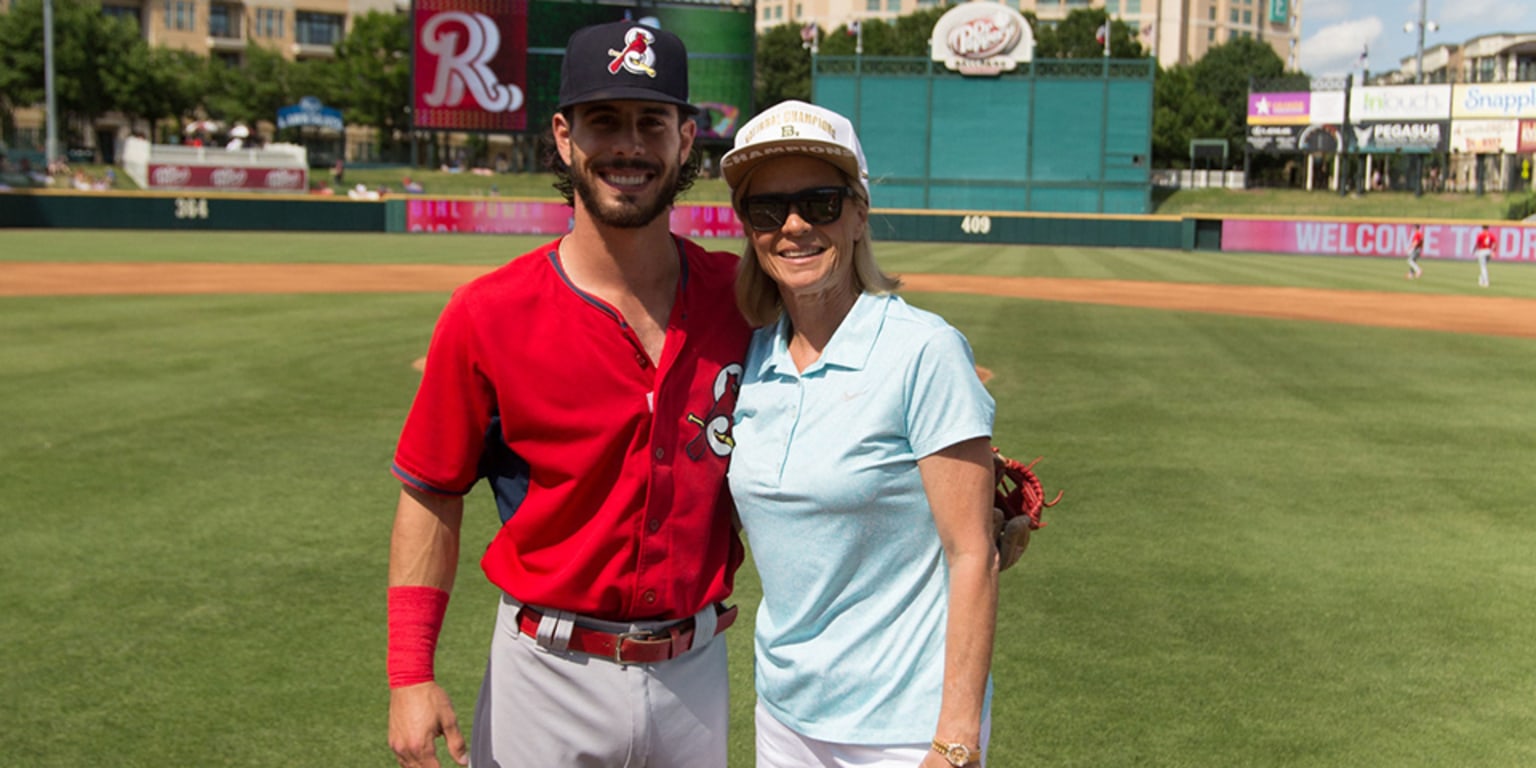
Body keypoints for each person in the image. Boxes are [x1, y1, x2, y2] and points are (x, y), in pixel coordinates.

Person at [385, 20, 750, 768]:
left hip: (696, 676)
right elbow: (431, 490)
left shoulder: (740, 300)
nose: (629, 145)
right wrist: (410, 673)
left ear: (687, 138)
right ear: (563, 135)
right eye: (604, 120)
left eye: (652, 121)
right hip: (547, 676)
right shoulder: (487, 313)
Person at [721, 100, 1001, 768]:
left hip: (904, 732)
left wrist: (956, 738)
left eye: (819, 203)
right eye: (767, 210)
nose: (793, 227)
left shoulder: (923, 351)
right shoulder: (752, 359)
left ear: (858, 212)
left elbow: (972, 555)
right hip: (786, 717)